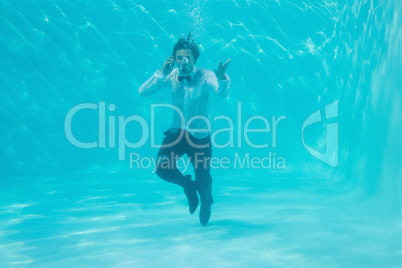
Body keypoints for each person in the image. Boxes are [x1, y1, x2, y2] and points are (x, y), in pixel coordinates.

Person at [139, 33, 230, 226]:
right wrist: (161, 73)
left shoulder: (206, 75)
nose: (184, 61)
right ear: (175, 59)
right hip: (177, 133)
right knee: (162, 169)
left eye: (188, 57)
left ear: (195, 59)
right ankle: (188, 186)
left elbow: (221, 93)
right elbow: (143, 92)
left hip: (199, 137)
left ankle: (206, 201)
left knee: (204, 179)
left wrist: (221, 77)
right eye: (179, 57)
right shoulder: (171, 75)